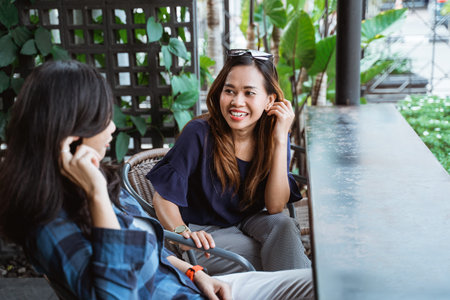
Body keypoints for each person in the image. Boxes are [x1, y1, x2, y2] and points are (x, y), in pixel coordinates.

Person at [0, 60, 314, 299]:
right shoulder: (50, 223)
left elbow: (152, 246)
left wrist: (194, 273)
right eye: (102, 118)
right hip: (196, 257)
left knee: (315, 279)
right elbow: (115, 293)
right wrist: (97, 196)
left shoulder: (100, 187)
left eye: (249, 92)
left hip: (200, 285)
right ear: (71, 132)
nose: (112, 129)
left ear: (269, 99)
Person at [147, 49, 311, 275]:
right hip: (204, 233)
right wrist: (183, 234)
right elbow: (163, 197)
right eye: (229, 91)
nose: (237, 102)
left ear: (269, 101)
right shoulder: (199, 134)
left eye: (249, 93)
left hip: (249, 223)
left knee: (284, 228)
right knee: (276, 257)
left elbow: (274, 207)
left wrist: (281, 139)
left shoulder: (273, 134)